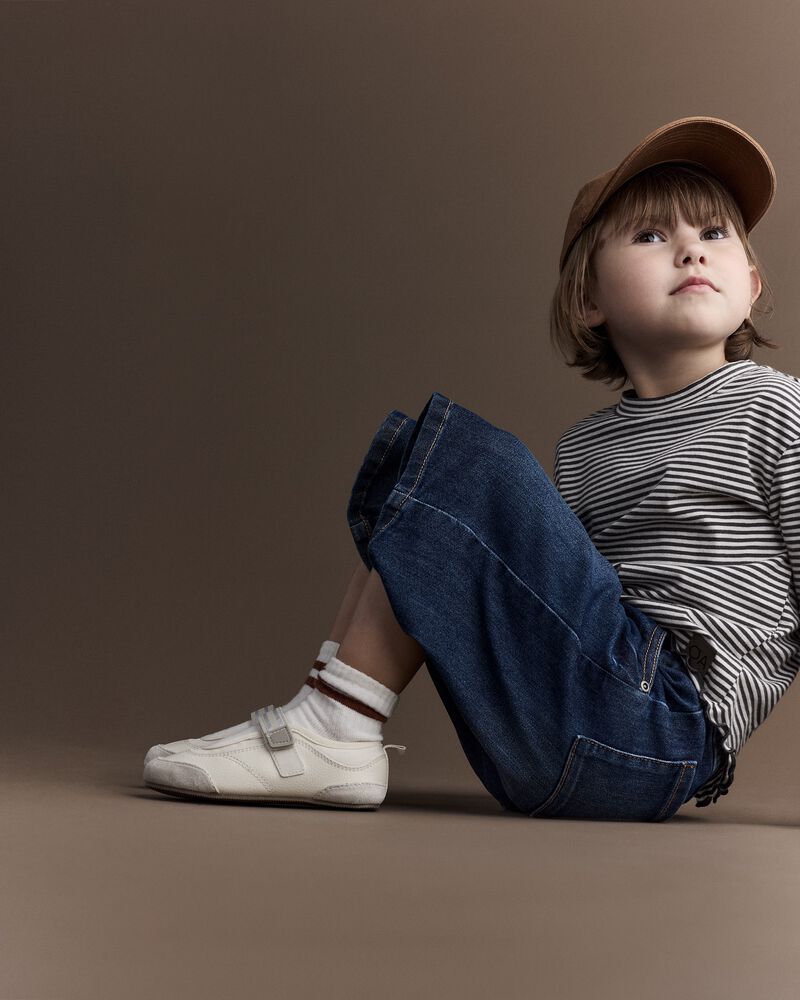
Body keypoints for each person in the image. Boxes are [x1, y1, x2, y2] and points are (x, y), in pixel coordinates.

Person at [143, 115, 798, 820]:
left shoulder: (775, 408)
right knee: (423, 474)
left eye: (713, 234)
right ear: (589, 301)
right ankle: (329, 711)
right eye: (650, 236)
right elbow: (539, 610)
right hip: (557, 738)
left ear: (753, 283)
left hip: (665, 730)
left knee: (468, 464)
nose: (690, 253)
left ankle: (333, 726)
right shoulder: (585, 450)